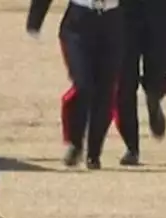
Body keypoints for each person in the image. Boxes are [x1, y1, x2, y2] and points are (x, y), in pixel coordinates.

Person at [26, 0, 125, 169]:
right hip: (79, 22)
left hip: (113, 21)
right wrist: (35, 19)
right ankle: (75, 143)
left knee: (105, 89)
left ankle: (94, 152)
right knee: (83, 84)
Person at [114, 0, 166, 166]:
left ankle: (154, 97)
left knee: (159, 68)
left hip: (159, 10)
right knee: (124, 82)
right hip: (121, 13)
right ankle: (131, 147)